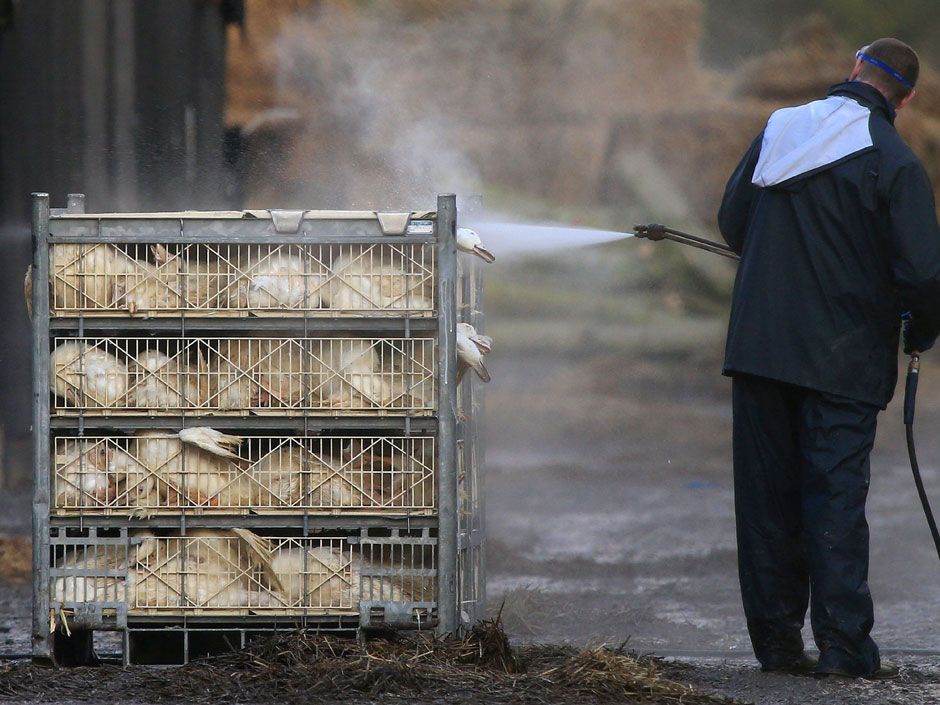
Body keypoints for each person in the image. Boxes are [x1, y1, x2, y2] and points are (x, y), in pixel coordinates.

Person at [717, 38, 940, 680]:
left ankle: (778, 648)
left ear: (854, 71)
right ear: (908, 98)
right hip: (842, 362)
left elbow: (735, 222)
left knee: (766, 500)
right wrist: (918, 331)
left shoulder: (780, 128)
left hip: (760, 349)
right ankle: (844, 649)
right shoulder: (895, 161)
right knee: (834, 496)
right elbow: (923, 274)